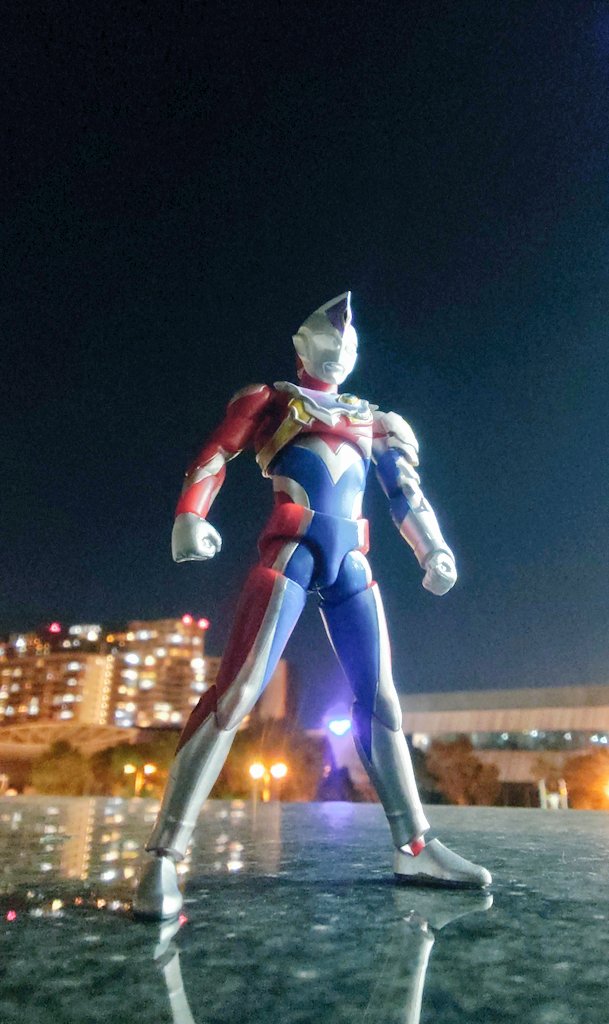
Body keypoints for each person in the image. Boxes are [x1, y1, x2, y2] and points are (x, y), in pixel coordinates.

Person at [134, 293, 491, 919]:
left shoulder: (375, 420)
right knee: (237, 692)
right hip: (290, 552)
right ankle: (163, 854)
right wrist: (190, 516)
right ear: (300, 347)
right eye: (327, 335)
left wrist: (432, 548)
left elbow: (406, 492)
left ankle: (415, 845)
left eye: (350, 339)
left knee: (380, 700)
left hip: (351, 560)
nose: (341, 343)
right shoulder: (270, 402)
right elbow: (215, 453)